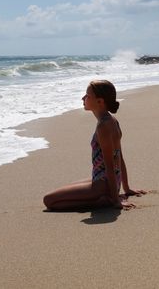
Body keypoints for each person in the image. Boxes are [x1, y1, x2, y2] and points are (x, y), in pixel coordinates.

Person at [43, 80, 146, 211]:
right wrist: (126, 188)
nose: (83, 98)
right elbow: (119, 157)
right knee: (67, 188)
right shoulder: (112, 120)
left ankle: (100, 202)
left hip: (104, 184)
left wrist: (115, 200)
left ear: (100, 101)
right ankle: (103, 197)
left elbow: (110, 164)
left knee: (49, 200)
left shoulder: (103, 126)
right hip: (107, 180)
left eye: (87, 96)